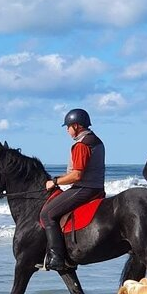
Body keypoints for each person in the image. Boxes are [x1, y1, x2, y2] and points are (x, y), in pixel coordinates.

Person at [40, 108, 105, 271]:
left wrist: (55, 182)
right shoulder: (96, 141)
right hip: (97, 187)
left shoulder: (81, 145)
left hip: (85, 188)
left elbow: (76, 176)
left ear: (76, 126)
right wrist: (61, 178)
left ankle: (57, 258)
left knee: (47, 214)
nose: (67, 131)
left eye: (68, 127)